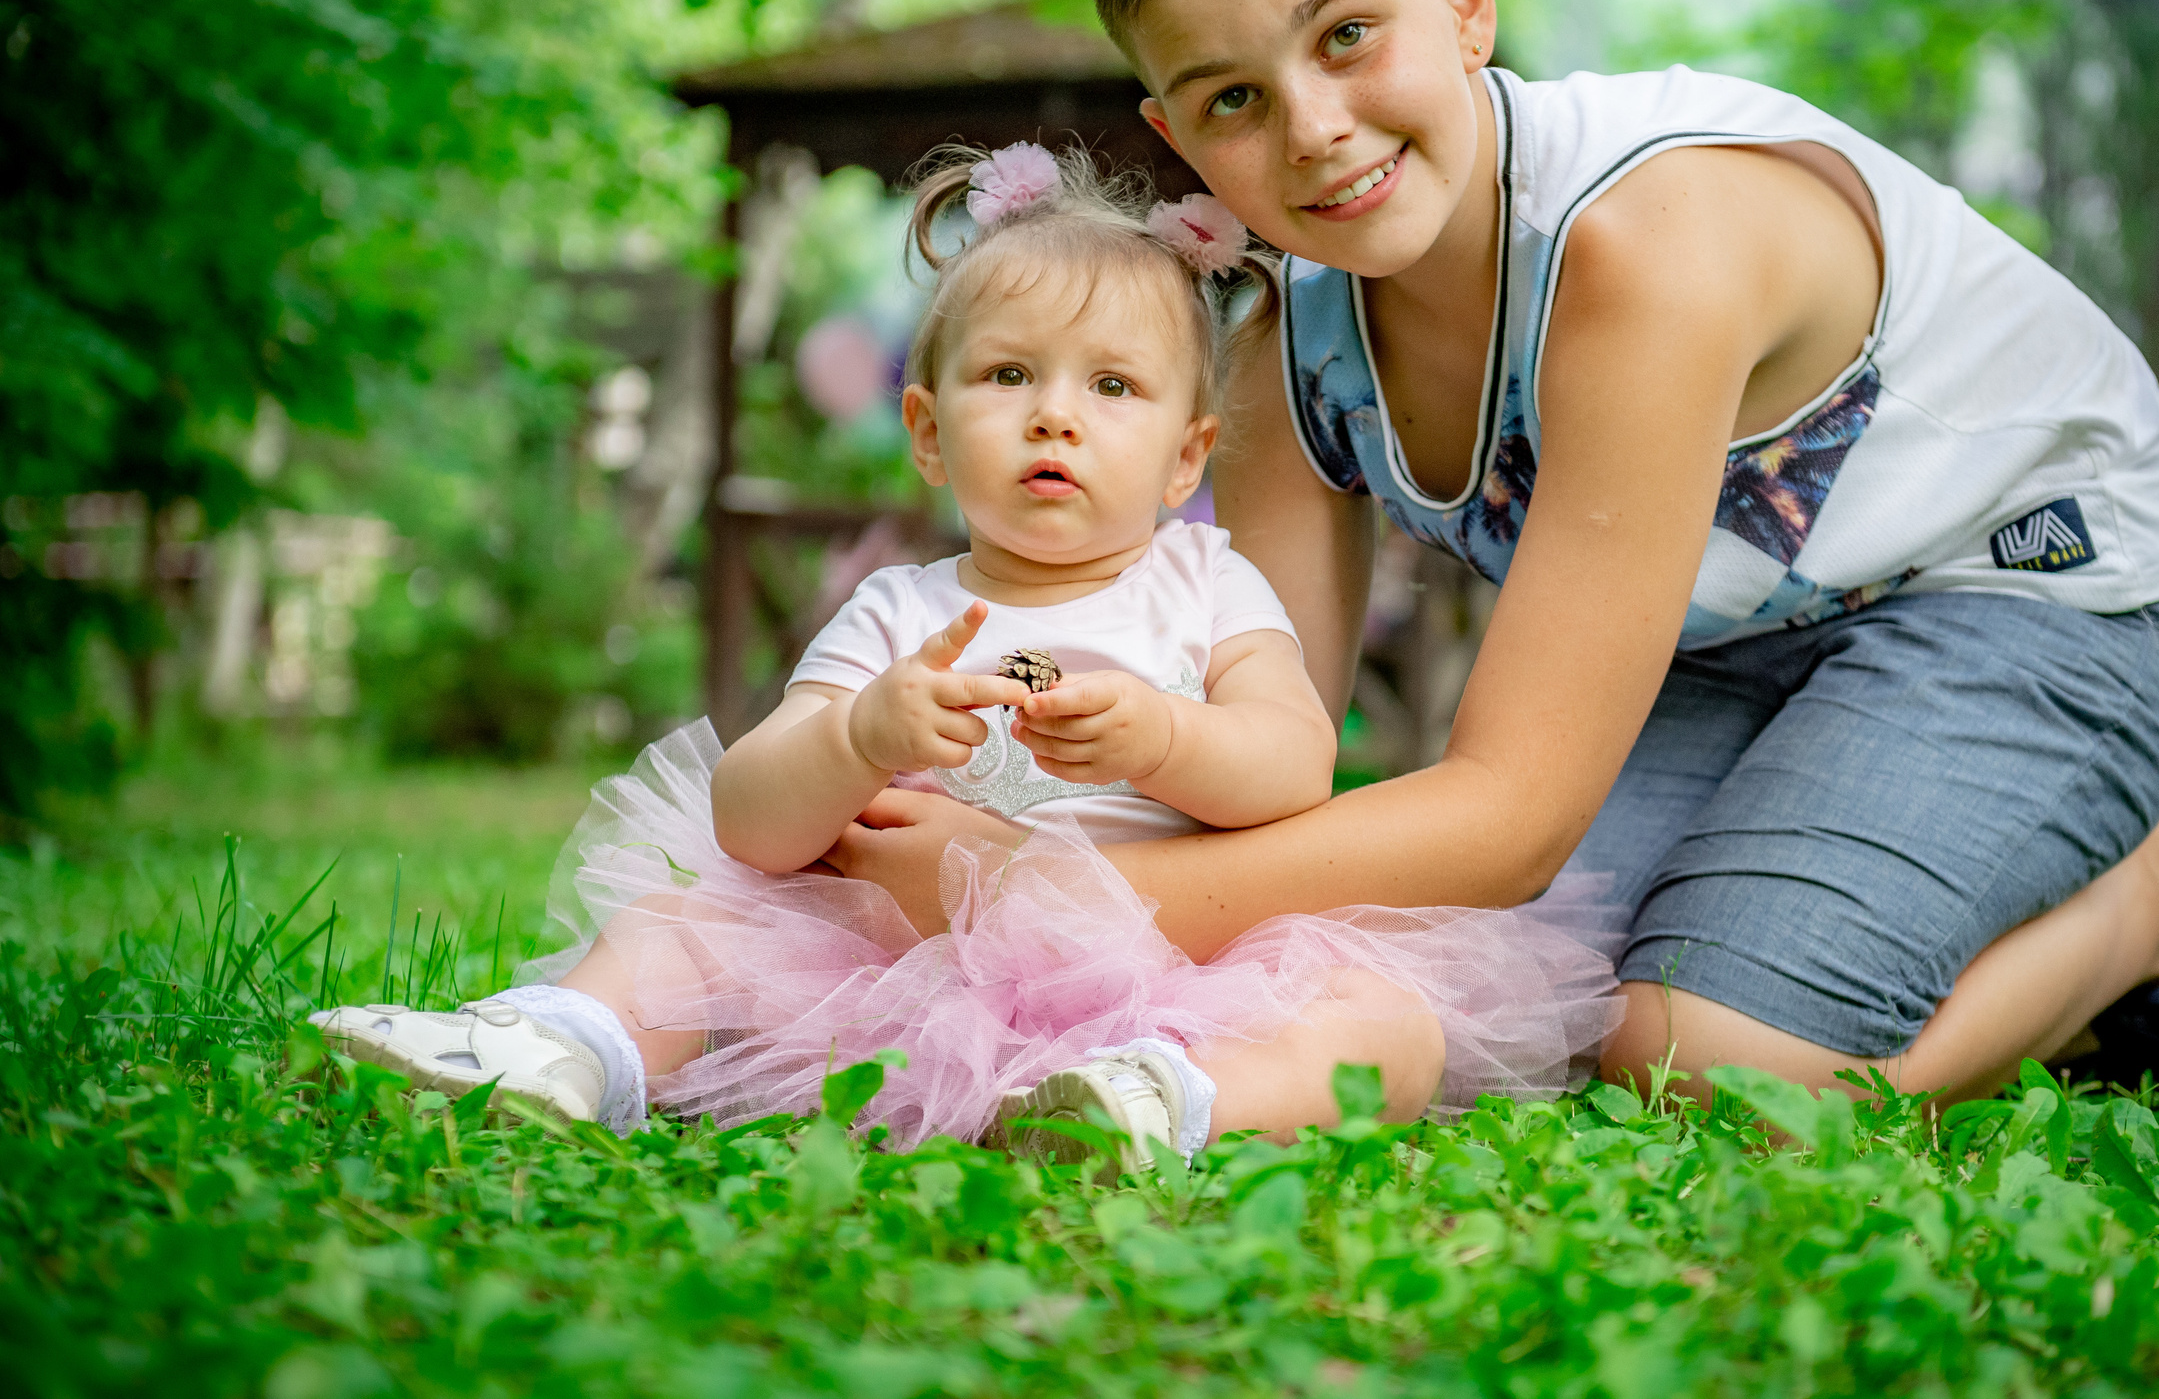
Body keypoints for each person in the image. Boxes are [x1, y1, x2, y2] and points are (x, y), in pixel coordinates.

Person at [822, 0, 2159, 1112]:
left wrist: (1059, 904)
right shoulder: (1278, 339)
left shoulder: (1645, 243)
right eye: (1235, 97)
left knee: (1698, 1049)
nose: (1313, 128)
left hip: (2041, 591)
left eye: (1349, 35)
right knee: (1520, 992)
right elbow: (1263, 762)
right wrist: (980, 811)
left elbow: (1505, 816)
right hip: (1734, 637)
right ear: (1176, 136)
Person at [308, 143, 1622, 1169]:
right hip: (904, 959)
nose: (1057, 412)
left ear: (1184, 458)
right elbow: (753, 817)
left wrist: (1165, 738)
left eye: (1112, 387)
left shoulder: (1208, 586)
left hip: (1180, 958)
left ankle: (1169, 1096)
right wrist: (860, 738)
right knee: (682, 929)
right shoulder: (900, 610)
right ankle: (560, 1046)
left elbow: (1293, 764)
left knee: (1375, 1013)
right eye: (1010, 376)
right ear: (930, 435)